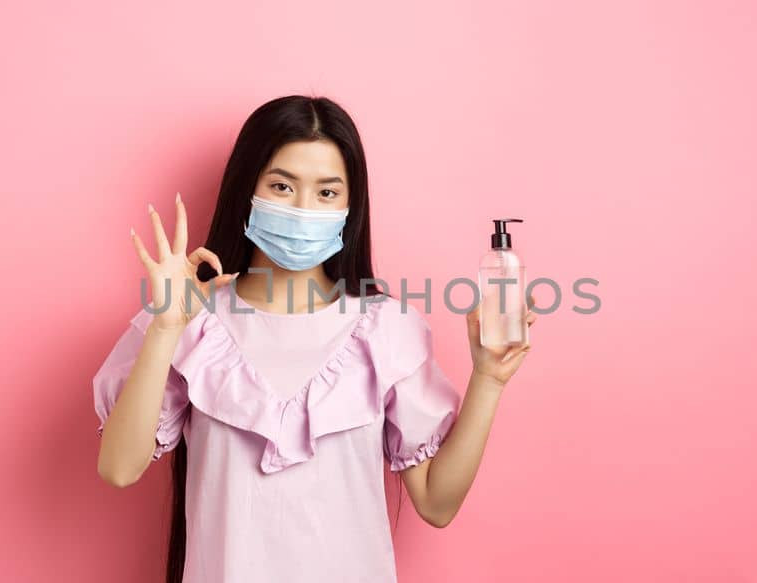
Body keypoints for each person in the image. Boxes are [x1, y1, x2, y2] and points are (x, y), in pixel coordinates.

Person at [92, 95, 535, 583]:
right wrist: (165, 328)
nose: (303, 209)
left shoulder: (385, 328)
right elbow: (119, 468)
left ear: (351, 205)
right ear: (247, 190)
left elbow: (436, 501)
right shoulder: (188, 319)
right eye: (282, 186)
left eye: (327, 193)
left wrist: (489, 380)